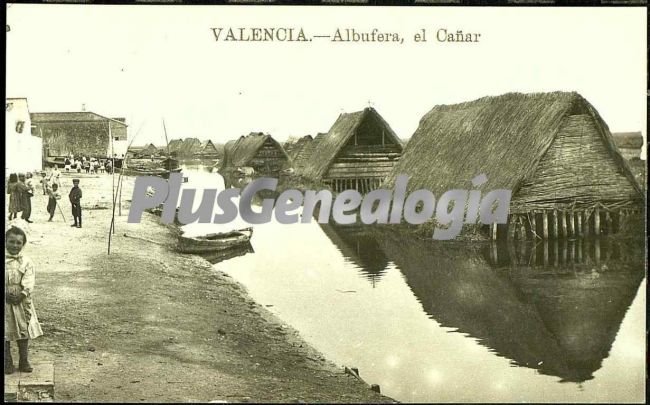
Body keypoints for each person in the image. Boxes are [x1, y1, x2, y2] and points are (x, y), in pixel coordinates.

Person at [5, 226, 43, 374]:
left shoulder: (26, 261)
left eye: (18, 243)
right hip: (5, 300)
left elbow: (29, 279)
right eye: (11, 242)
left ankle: (23, 360)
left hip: (21, 300)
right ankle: (7, 362)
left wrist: (22, 294)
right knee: (6, 330)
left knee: (23, 329)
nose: (15, 245)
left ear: (23, 244)